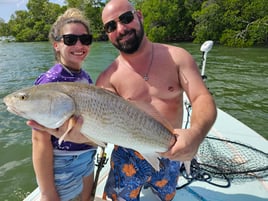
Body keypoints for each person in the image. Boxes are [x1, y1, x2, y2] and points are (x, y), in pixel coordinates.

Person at [28, 0, 217, 200]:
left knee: (165, 196)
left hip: (172, 150)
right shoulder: (106, 79)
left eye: (126, 18)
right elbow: (97, 130)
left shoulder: (178, 57)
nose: (121, 28)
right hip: (127, 157)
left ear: (140, 16)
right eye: (111, 26)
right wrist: (74, 135)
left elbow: (201, 97)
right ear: (107, 33)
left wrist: (195, 135)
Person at [31, 8, 96, 201]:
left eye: (85, 39)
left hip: (87, 157)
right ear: (57, 45)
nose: (79, 44)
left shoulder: (85, 76)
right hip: (63, 162)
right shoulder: (49, 82)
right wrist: (47, 191)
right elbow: (39, 140)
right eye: (70, 40)